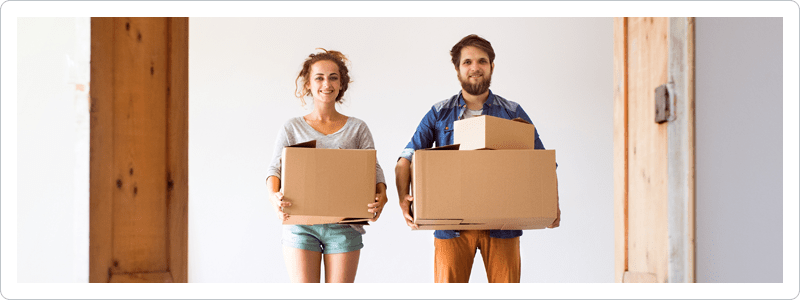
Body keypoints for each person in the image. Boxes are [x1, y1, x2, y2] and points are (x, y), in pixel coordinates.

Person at [394, 34, 561, 283]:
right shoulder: (440, 113)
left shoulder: (512, 112)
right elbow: (406, 157)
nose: (475, 68)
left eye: (482, 61)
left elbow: (542, 163)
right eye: (467, 62)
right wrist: (402, 198)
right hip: (452, 225)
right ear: (457, 69)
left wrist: (552, 205)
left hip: (503, 223)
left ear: (492, 66)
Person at [266, 49, 388, 283]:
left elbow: (373, 168)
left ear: (341, 83)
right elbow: (275, 169)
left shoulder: (357, 128)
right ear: (308, 84)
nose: (326, 84)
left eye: (333, 77)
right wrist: (274, 196)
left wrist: (382, 194)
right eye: (319, 77)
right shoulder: (292, 128)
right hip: (301, 225)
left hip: (344, 227)